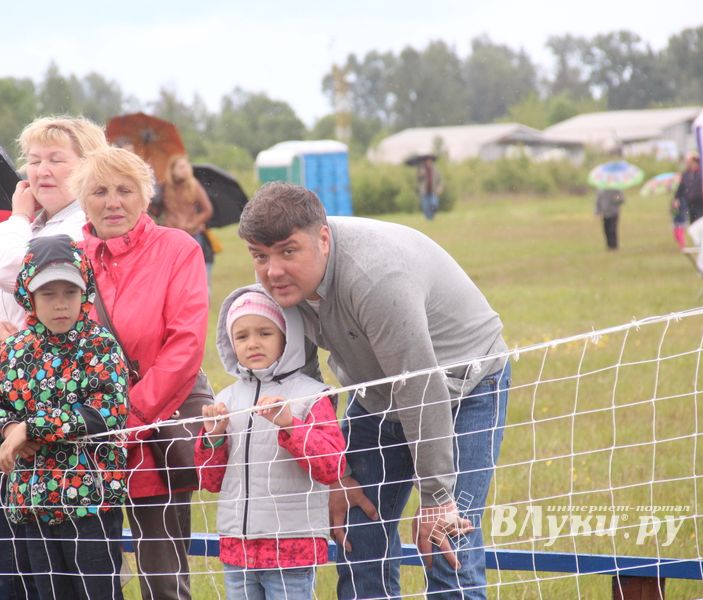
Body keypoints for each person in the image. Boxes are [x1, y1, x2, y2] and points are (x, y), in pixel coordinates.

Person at [237, 182, 511, 599]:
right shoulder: (283, 285)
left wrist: (437, 496)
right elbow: (304, 384)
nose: (272, 271)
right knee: (356, 535)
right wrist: (337, 475)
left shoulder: (376, 278)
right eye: (260, 256)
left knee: (448, 541)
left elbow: (420, 385)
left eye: (288, 251)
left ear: (323, 239)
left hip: (462, 386)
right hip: (377, 392)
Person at [0, 115, 108, 599]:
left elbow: (11, 269)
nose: (41, 171)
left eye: (56, 160)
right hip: (7, 416)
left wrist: (16, 219)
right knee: (4, 557)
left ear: (88, 166)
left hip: (63, 434)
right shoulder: (30, 226)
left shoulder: (84, 230)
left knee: (68, 571)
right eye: (34, 160)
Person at [70, 146, 208, 600]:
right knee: (85, 573)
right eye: (99, 191)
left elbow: (184, 346)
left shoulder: (178, 249)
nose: (113, 202)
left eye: (125, 190)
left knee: (164, 581)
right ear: (82, 200)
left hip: (155, 432)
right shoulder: (70, 258)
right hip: (83, 441)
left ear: (145, 196)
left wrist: (126, 421)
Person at [0, 234, 129, 600]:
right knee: (43, 591)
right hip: (31, 504)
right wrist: (7, 428)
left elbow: (109, 409)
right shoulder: (11, 351)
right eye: (48, 294)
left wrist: (29, 427)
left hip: (90, 504)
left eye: (69, 293)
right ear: (28, 296)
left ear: (84, 292)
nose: (60, 305)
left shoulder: (100, 345)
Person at [196, 287, 346, 600]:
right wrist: (214, 436)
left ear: (287, 336)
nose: (252, 343)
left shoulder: (311, 397)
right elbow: (209, 481)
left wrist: (291, 426)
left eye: (264, 332)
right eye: (241, 336)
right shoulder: (224, 401)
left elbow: (332, 467)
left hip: (291, 546)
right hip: (237, 547)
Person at [160, 154, 215, 283]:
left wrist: (194, 222)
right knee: (173, 274)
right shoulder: (164, 187)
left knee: (194, 273)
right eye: (180, 167)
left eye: (186, 166)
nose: (184, 169)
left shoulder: (194, 186)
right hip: (171, 235)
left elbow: (208, 210)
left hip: (192, 233)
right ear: (172, 170)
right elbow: (155, 210)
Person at [675, 151, 703, 225]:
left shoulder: (702, 173)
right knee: (693, 224)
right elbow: (681, 188)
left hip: (702, 204)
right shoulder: (686, 174)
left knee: (701, 223)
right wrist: (676, 198)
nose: (686, 163)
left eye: (688, 161)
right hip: (690, 204)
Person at [416, 156, 442, 220]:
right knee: (426, 207)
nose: (429, 162)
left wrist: (440, 187)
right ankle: (428, 219)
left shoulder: (435, 170)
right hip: (424, 191)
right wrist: (421, 174)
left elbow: (439, 179)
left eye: (430, 161)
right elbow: (418, 180)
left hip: (433, 190)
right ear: (425, 162)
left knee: (434, 204)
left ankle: (432, 216)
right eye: (427, 161)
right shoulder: (421, 169)